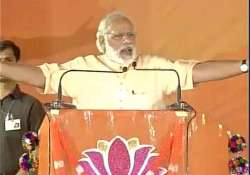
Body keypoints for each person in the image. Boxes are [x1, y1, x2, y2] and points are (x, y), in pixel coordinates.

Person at [0, 11, 248, 110]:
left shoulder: (155, 66)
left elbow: (196, 71)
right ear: (100, 42)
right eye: (118, 36)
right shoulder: (81, 69)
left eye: (130, 35)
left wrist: (245, 65)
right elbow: (43, 76)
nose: (126, 41)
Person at [0, 40, 46, 175]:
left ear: (16, 64)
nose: (2, 66)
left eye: (8, 60)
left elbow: (38, 149)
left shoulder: (30, 105)